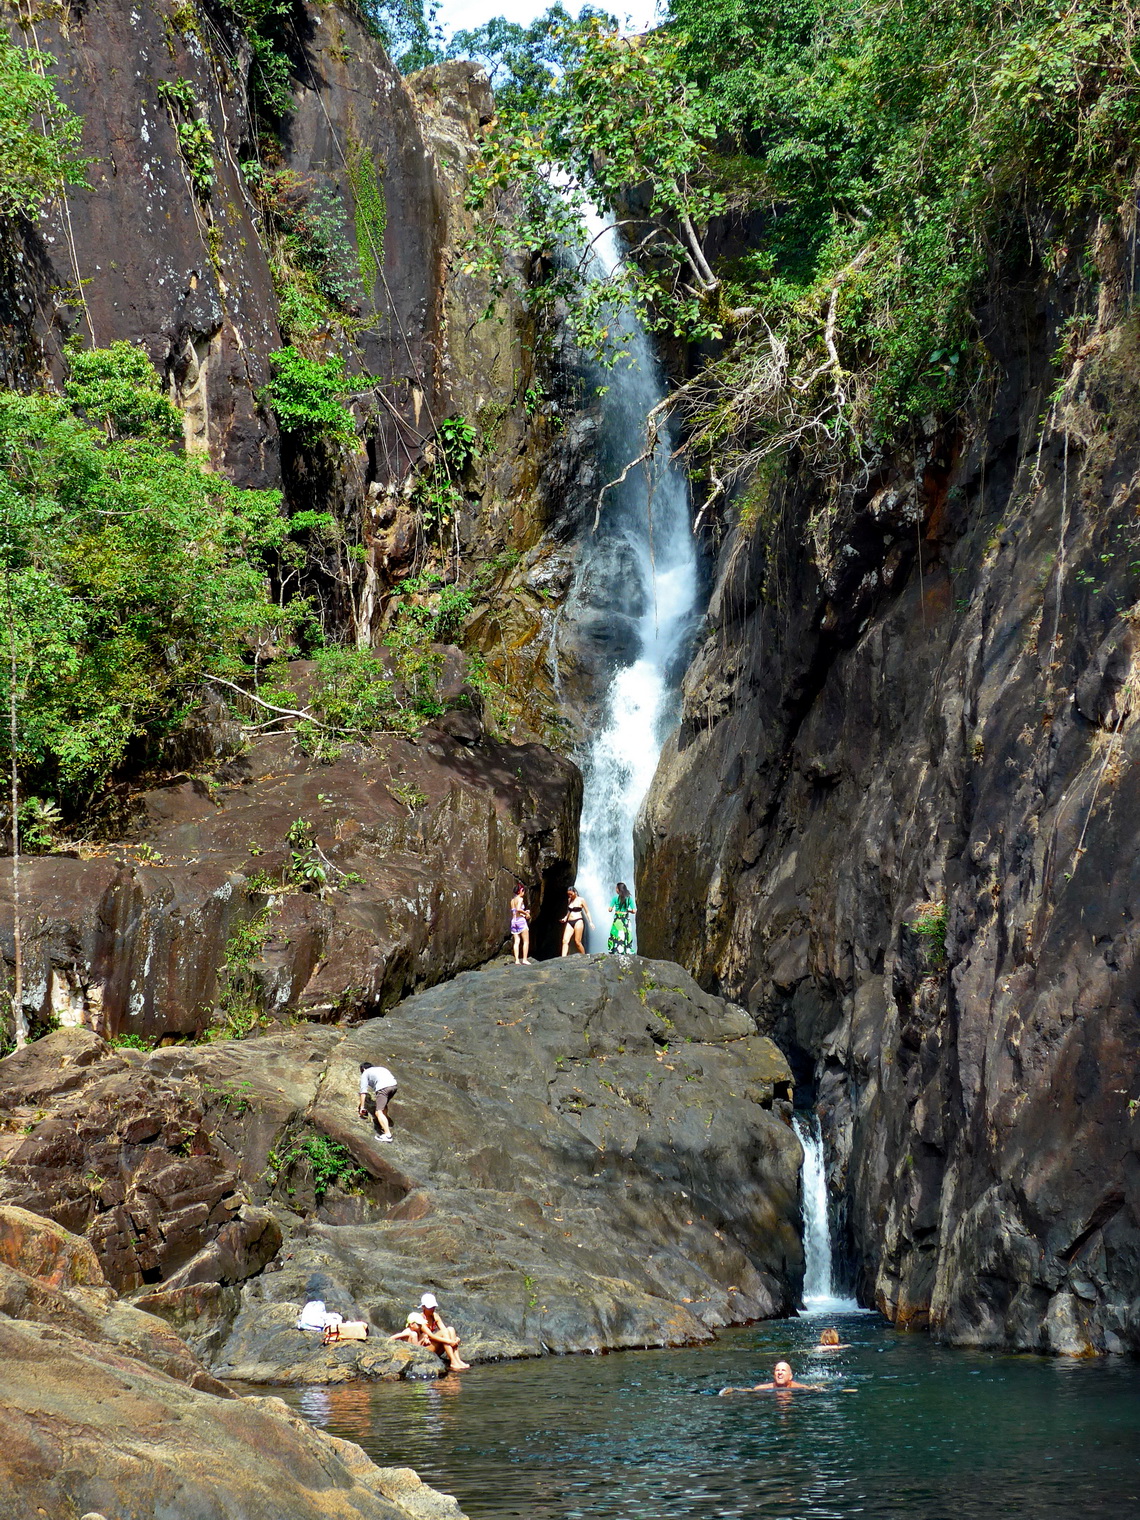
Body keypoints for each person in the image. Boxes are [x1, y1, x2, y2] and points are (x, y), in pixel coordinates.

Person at [390, 1292, 470, 1371]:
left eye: (433, 1307)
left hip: (434, 1346)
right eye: (430, 1307)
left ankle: (457, 1360)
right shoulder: (420, 1319)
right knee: (444, 1333)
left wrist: (455, 1339)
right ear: (423, 1307)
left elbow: (445, 1330)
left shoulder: (435, 1316)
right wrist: (450, 1341)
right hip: (426, 1348)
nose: (432, 1309)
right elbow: (431, 1336)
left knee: (451, 1329)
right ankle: (453, 1361)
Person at [719, 1360, 823, 1394]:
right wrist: (732, 1390)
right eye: (777, 1370)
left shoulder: (798, 1387)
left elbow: (812, 1388)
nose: (780, 1373)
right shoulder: (767, 1387)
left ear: (790, 1376)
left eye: (783, 1370)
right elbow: (750, 1390)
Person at [358, 1061, 397, 1141]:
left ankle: (387, 1135)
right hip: (394, 1086)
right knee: (383, 1107)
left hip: (383, 1088)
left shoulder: (366, 1073)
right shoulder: (381, 1068)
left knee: (378, 1112)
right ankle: (385, 1124)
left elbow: (363, 1092)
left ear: (363, 1069)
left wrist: (362, 1107)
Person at [560, 885, 593, 956]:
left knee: (577, 942)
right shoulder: (569, 900)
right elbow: (569, 910)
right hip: (569, 922)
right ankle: (563, 958)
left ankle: (584, 956)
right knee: (565, 941)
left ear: (575, 892)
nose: (570, 896)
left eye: (571, 894)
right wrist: (565, 918)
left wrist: (590, 922)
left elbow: (587, 911)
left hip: (578, 921)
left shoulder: (581, 900)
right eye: (568, 894)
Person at [607, 882, 636, 954]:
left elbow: (610, 909)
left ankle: (615, 950)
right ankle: (626, 950)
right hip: (625, 920)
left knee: (616, 934)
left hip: (617, 920)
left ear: (618, 889)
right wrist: (627, 910)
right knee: (626, 934)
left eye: (616, 888)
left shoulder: (615, 898)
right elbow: (634, 911)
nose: (615, 889)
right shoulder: (629, 899)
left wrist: (613, 908)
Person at [510, 883, 532, 965]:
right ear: (520, 891)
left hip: (514, 921)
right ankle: (525, 959)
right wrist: (526, 914)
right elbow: (518, 909)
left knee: (516, 941)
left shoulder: (512, 900)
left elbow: (514, 911)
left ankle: (517, 960)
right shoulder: (520, 899)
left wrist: (523, 913)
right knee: (526, 941)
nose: (524, 892)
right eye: (523, 891)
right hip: (520, 921)